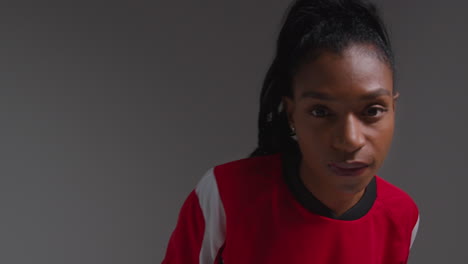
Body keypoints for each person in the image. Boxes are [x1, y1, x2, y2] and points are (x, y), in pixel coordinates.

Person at [162, 0, 420, 263]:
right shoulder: (225, 195)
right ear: (291, 113)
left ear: (393, 108)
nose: (350, 140)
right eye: (321, 111)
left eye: (373, 110)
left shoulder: (402, 215)